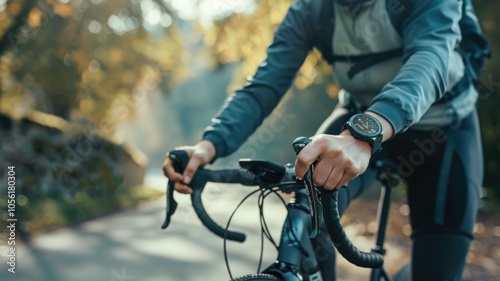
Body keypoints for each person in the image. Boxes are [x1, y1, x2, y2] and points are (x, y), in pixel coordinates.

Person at [163, 0, 490, 280]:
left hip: (443, 130)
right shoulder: (312, 10)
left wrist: (365, 133)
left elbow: (431, 58)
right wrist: (208, 146)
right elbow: (264, 85)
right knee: (306, 218)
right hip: (357, 118)